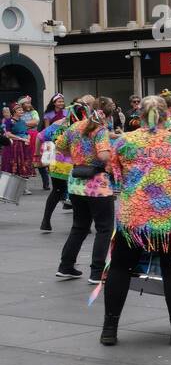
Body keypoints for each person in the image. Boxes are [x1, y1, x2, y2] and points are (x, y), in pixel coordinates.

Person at [97, 95, 171, 346]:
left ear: (140, 115)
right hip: (170, 218)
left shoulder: (125, 141)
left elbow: (115, 175)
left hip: (134, 217)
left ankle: (109, 329)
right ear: (167, 114)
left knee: (121, 267)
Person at [52, 99, 114, 283]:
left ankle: (66, 266)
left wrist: (77, 156)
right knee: (104, 228)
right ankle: (97, 272)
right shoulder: (100, 130)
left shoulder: (75, 126)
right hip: (97, 185)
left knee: (79, 226)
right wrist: (114, 155)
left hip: (76, 183)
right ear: (108, 115)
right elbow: (103, 155)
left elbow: (60, 146)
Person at [37, 104, 75, 234]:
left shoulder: (57, 124)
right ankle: (81, 224)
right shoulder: (79, 126)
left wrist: (37, 154)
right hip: (72, 164)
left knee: (57, 191)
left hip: (56, 163)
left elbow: (40, 136)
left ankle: (45, 221)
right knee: (77, 193)